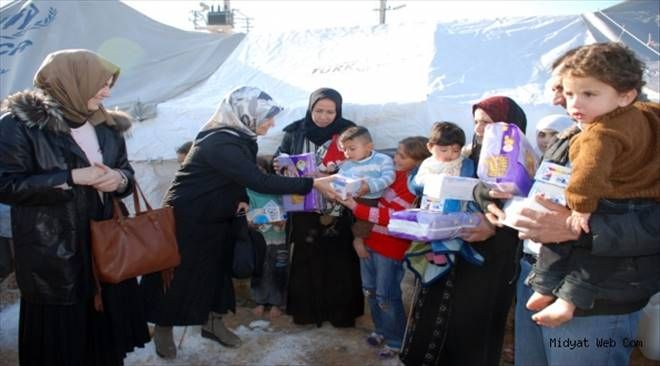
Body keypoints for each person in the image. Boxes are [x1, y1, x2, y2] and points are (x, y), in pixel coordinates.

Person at [477, 46, 660, 366]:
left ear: (624, 94)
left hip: (599, 299)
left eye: (582, 91)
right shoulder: (573, 130)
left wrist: (577, 229)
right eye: (562, 88)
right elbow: (549, 186)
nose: (562, 99)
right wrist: (494, 199)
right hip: (539, 275)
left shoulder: (644, 136)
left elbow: (643, 218)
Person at [140, 86, 338, 359]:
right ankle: (164, 326)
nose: (272, 123)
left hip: (221, 214)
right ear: (246, 115)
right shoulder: (219, 141)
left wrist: (241, 197)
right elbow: (258, 179)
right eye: (267, 117)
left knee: (219, 272)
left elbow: (234, 178)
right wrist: (313, 183)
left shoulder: (242, 139)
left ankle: (212, 322)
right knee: (179, 274)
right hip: (190, 217)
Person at [0, 49, 149, 365]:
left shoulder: (106, 125)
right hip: (54, 253)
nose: (107, 92)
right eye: (101, 84)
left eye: (109, 84)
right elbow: (6, 185)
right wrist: (69, 177)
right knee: (61, 346)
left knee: (104, 342)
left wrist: (119, 180)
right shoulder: (18, 126)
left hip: (105, 250)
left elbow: (126, 172)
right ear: (73, 80)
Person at [525, 43, 660, 328]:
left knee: (580, 246)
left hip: (607, 304)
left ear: (625, 96)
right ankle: (552, 292)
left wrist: (579, 209)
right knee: (585, 250)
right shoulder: (642, 114)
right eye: (568, 92)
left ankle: (557, 294)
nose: (573, 103)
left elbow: (587, 176)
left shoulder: (599, 133)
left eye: (588, 94)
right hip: (638, 198)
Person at [400, 96, 526, 366]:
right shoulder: (466, 154)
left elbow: (521, 215)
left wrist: (492, 230)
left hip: (489, 261)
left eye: (488, 123)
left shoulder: (522, 163)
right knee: (435, 317)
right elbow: (419, 179)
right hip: (450, 250)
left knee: (470, 326)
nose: (480, 128)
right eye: (477, 121)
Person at [275, 87, 364, 327]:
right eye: (318, 110)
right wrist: (283, 165)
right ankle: (307, 312)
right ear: (310, 108)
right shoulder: (295, 132)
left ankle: (340, 314)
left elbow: (363, 160)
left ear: (338, 111)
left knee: (339, 259)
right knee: (307, 257)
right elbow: (280, 158)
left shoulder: (350, 131)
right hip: (305, 206)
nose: (323, 116)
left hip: (339, 205)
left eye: (329, 111)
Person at [339, 136, 429, 359]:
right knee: (370, 289)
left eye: (402, 156)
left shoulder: (415, 187)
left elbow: (391, 216)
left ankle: (397, 340)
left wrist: (354, 207)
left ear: (418, 162)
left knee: (386, 296)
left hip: (391, 248)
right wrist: (360, 237)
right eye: (396, 153)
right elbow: (374, 201)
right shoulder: (392, 175)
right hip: (370, 242)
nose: (395, 158)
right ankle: (381, 331)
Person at [336, 126, 395, 256]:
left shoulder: (382, 159)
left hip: (379, 198)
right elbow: (338, 180)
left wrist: (369, 186)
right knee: (363, 218)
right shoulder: (347, 164)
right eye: (344, 149)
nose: (347, 153)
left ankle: (361, 239)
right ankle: (358, 239)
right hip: (357, 198)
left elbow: (389, 177)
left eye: (352, 149)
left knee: (373, 218)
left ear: (368, 147)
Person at [247, 156, 289, 319]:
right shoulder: (247, 191)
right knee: (259, 271)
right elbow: (243, 213)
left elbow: (288, 208)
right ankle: (260, 301)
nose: (258, 176)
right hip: (258, 240)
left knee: (278, 270)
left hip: (278, 239)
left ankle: (277, 303)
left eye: (261, 171)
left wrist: (283, 220)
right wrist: (250, 222)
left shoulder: (277, 188)